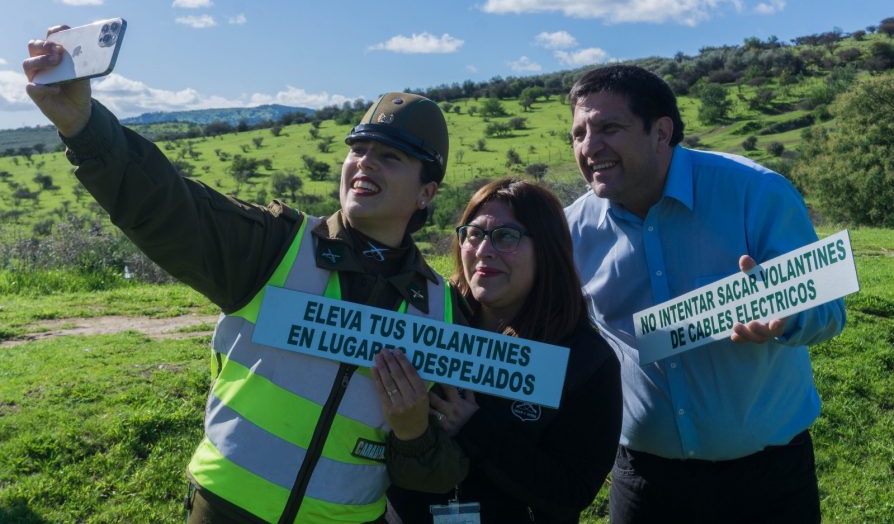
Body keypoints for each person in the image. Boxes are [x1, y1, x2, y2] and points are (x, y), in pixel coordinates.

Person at [23, 26, 468, 523]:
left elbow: (440, 470)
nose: (364, 163)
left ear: (427, 192)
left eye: (390, 156)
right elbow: (169, 207)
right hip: (225, 510)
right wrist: (85, 128)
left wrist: (413, 433)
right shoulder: (277, 245)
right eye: (358, 149)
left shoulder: (441, 308)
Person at [563, 64, 846, 523]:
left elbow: (830, 310)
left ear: (661, 132)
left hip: (768, 482)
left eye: (609, 128)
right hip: (645, 482)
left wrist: (786, 316)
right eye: (578, 134)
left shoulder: (756, 192)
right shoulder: (572, 230)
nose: (590, 147)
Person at [371, 178, 622, 523]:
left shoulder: (584, 361)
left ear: (547, 249)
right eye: (473, 234)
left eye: (507, 236)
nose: (483, 250)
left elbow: (571, 490)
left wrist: (475, 427)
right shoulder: (423, 323)